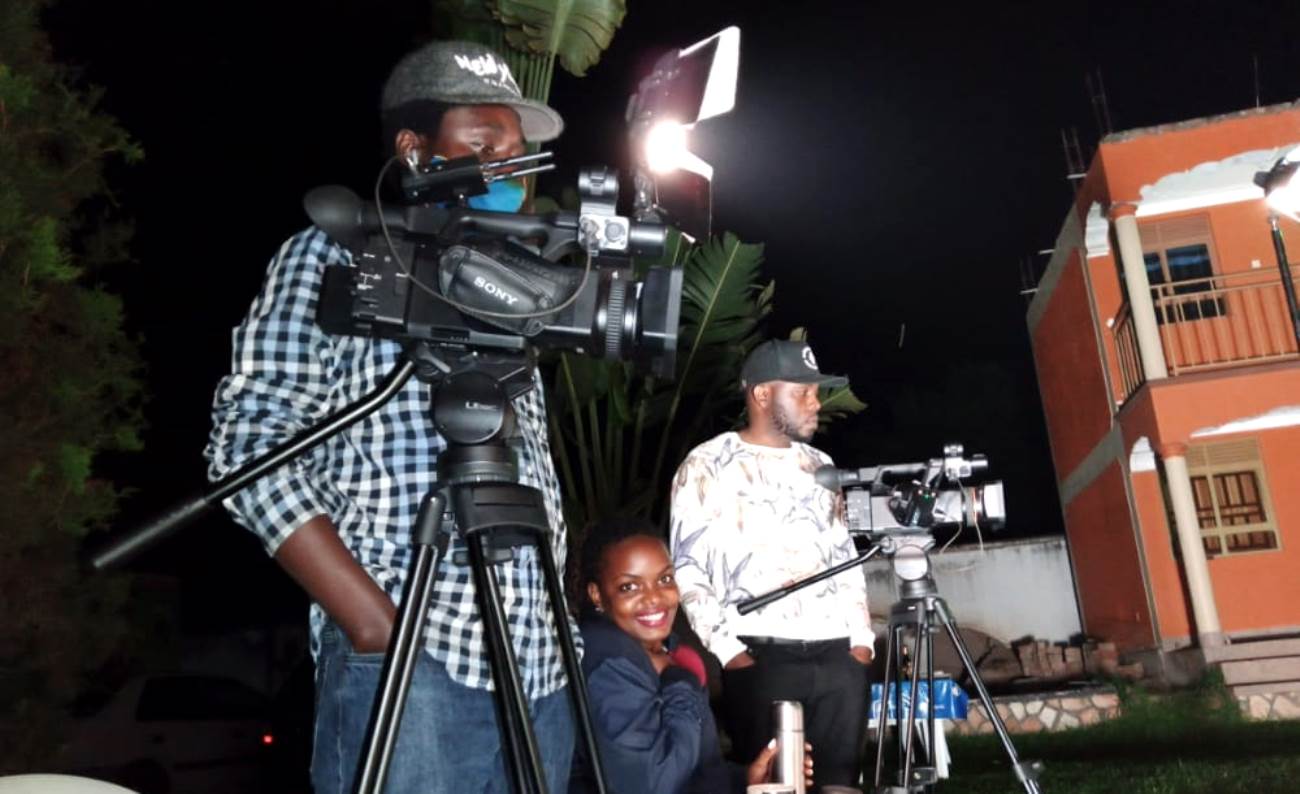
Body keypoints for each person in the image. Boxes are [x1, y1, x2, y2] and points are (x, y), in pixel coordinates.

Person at [204, 40, 574, 794]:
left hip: (544, 672)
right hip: (414, 658)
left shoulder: (525, 288)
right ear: (415, 149)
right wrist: (373, 622)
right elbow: (249, 445)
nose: (509, 163)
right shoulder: (337, 256)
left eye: (518, 149)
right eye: (484, 142)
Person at [669, 339, 875, 791]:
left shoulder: (822, 465)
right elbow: (687, 568)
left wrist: (860, 643)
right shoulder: (706, 465)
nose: (815, 402)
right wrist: (730, 652)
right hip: (761, 655)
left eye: (815, 392)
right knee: (772, 785)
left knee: (841, 785)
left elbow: (844, 554)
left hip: (838, 654)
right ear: (762, 395)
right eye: (802, 392)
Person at [569, 517, 814, 794]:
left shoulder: (658, 648)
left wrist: (747, 778)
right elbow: (652, 785)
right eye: (630, 586)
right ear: (597, 595)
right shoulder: (608, 661)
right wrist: (680, 682)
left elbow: (693, 770)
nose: (654, 598)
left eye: (664, 579)